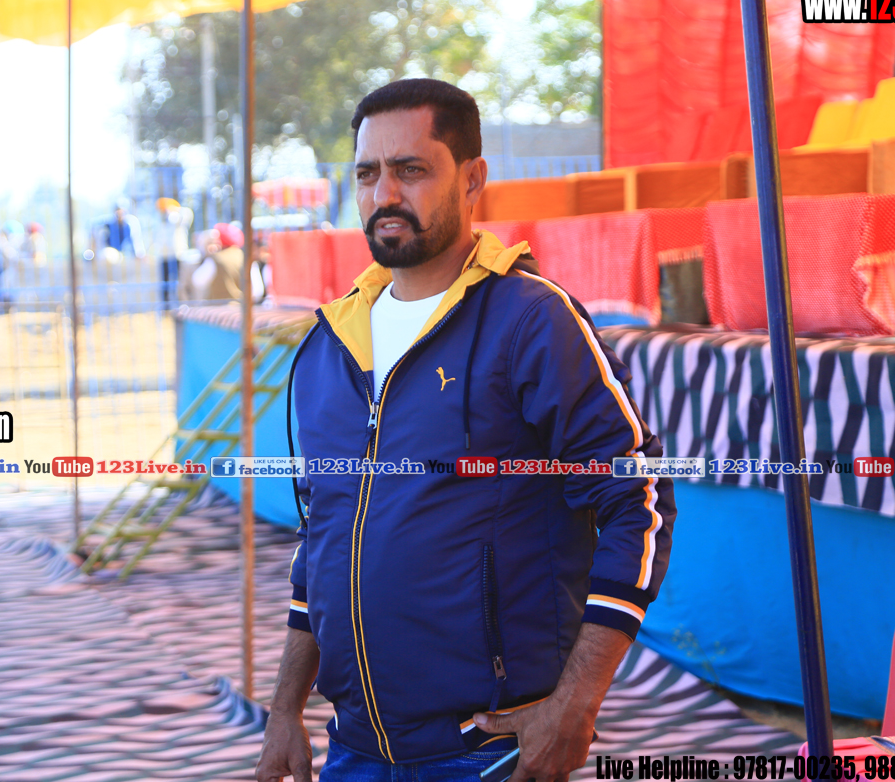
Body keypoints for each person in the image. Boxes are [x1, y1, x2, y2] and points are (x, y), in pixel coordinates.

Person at [256, 79, 677, 782]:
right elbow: (321, 537)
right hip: (353, 747)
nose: (385, 193)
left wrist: (576, 702)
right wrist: (283, 709)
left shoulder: (530, 319)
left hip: (488, 749)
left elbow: (638, 501)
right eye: (368, 173)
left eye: (411, 169)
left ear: (473, 179)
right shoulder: (329, 345)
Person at [185, 222, 264, 302]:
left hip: (219, 307)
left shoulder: (215, 259)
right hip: (242, 307)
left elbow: (198, 281)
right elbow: (257, 291)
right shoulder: (246, 257)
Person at [151, 198, 192, 304]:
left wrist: (172, 209)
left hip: (177, 255)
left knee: (180, 282)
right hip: (164, 256)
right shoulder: (159, 221)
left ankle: (182, 304)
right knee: (165, 283)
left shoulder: (177, 218)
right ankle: (166, 306)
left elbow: (187, 213)